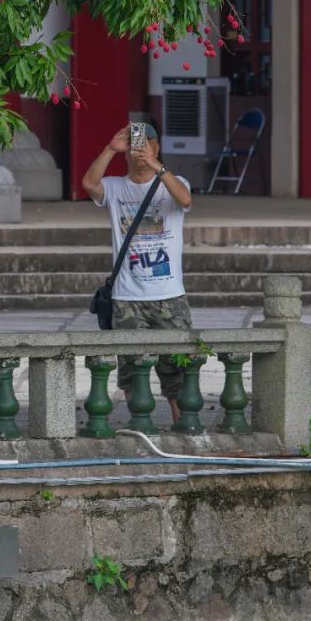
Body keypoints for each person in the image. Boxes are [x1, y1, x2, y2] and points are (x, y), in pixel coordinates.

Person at [82, 120, 193, 424]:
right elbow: (90, 184)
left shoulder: (174, 181)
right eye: (133, 144)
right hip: (127, 296)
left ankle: (181, 422)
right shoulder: (117, 187)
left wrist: (157, 166)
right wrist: (109, 149)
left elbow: (185, 200)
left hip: (169, 294)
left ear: (157, 146)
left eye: (146, 142)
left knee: (177, 366)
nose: (138, 149)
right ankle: (140, 423)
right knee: (132, 367)